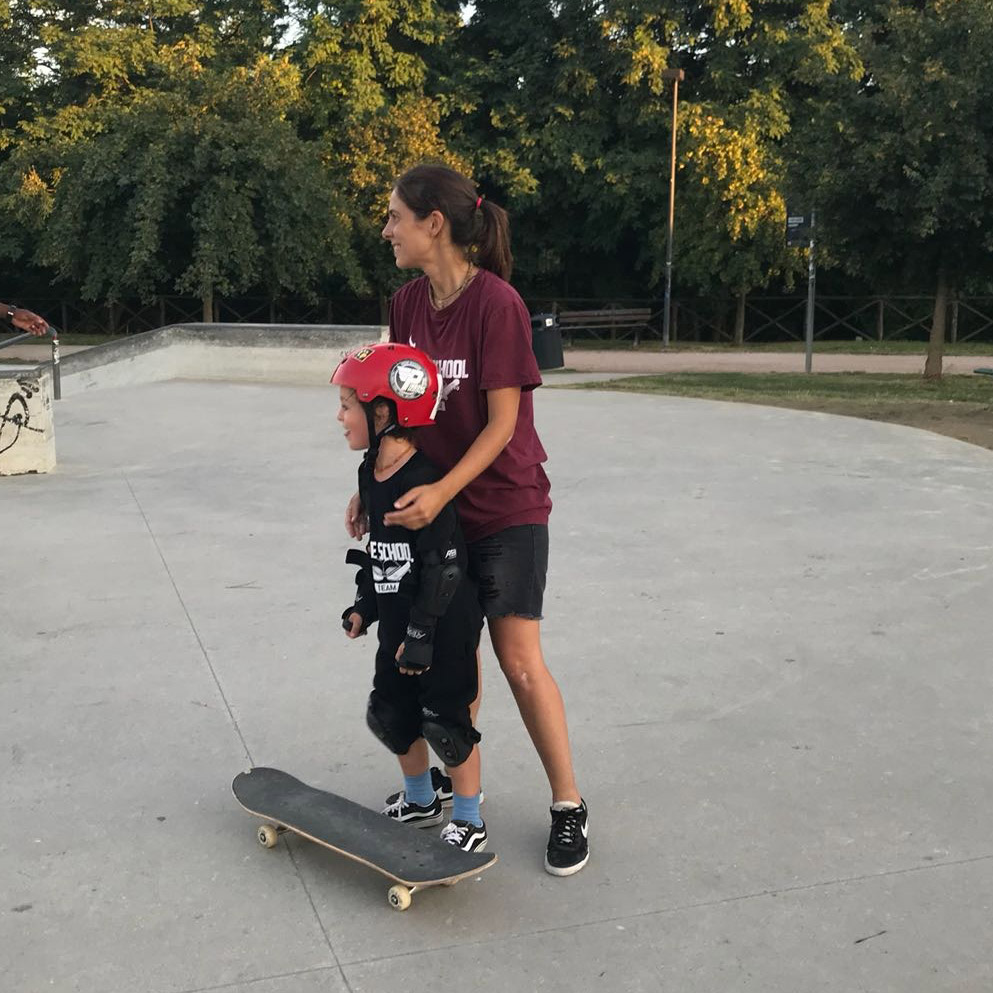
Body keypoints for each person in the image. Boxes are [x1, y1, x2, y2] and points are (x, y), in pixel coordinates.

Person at [346, 163, 589, 876]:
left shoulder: (497, 305)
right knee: (450, 660)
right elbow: (392, 412)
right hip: (430, 510)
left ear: (434, 223)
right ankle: (454, 800)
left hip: (504, 507)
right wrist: (371, 486)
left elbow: (503, 424)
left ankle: (568, 804)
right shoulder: (404, 305)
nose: (386, 230)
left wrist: (442, 491)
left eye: (394, 216)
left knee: (518, 661)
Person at [334, 342, 488, 853]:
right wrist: (366, 605)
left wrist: (421, 635)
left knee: (446, 722)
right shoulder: (369, 472)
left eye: (346, 405)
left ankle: (468, 818)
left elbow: (444, 567)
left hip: (441, 623)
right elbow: (383, 551)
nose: (339, 417)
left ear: (383, 411)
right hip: (400, 619)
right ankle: (421, 800)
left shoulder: (423, 482)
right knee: (391, 713)